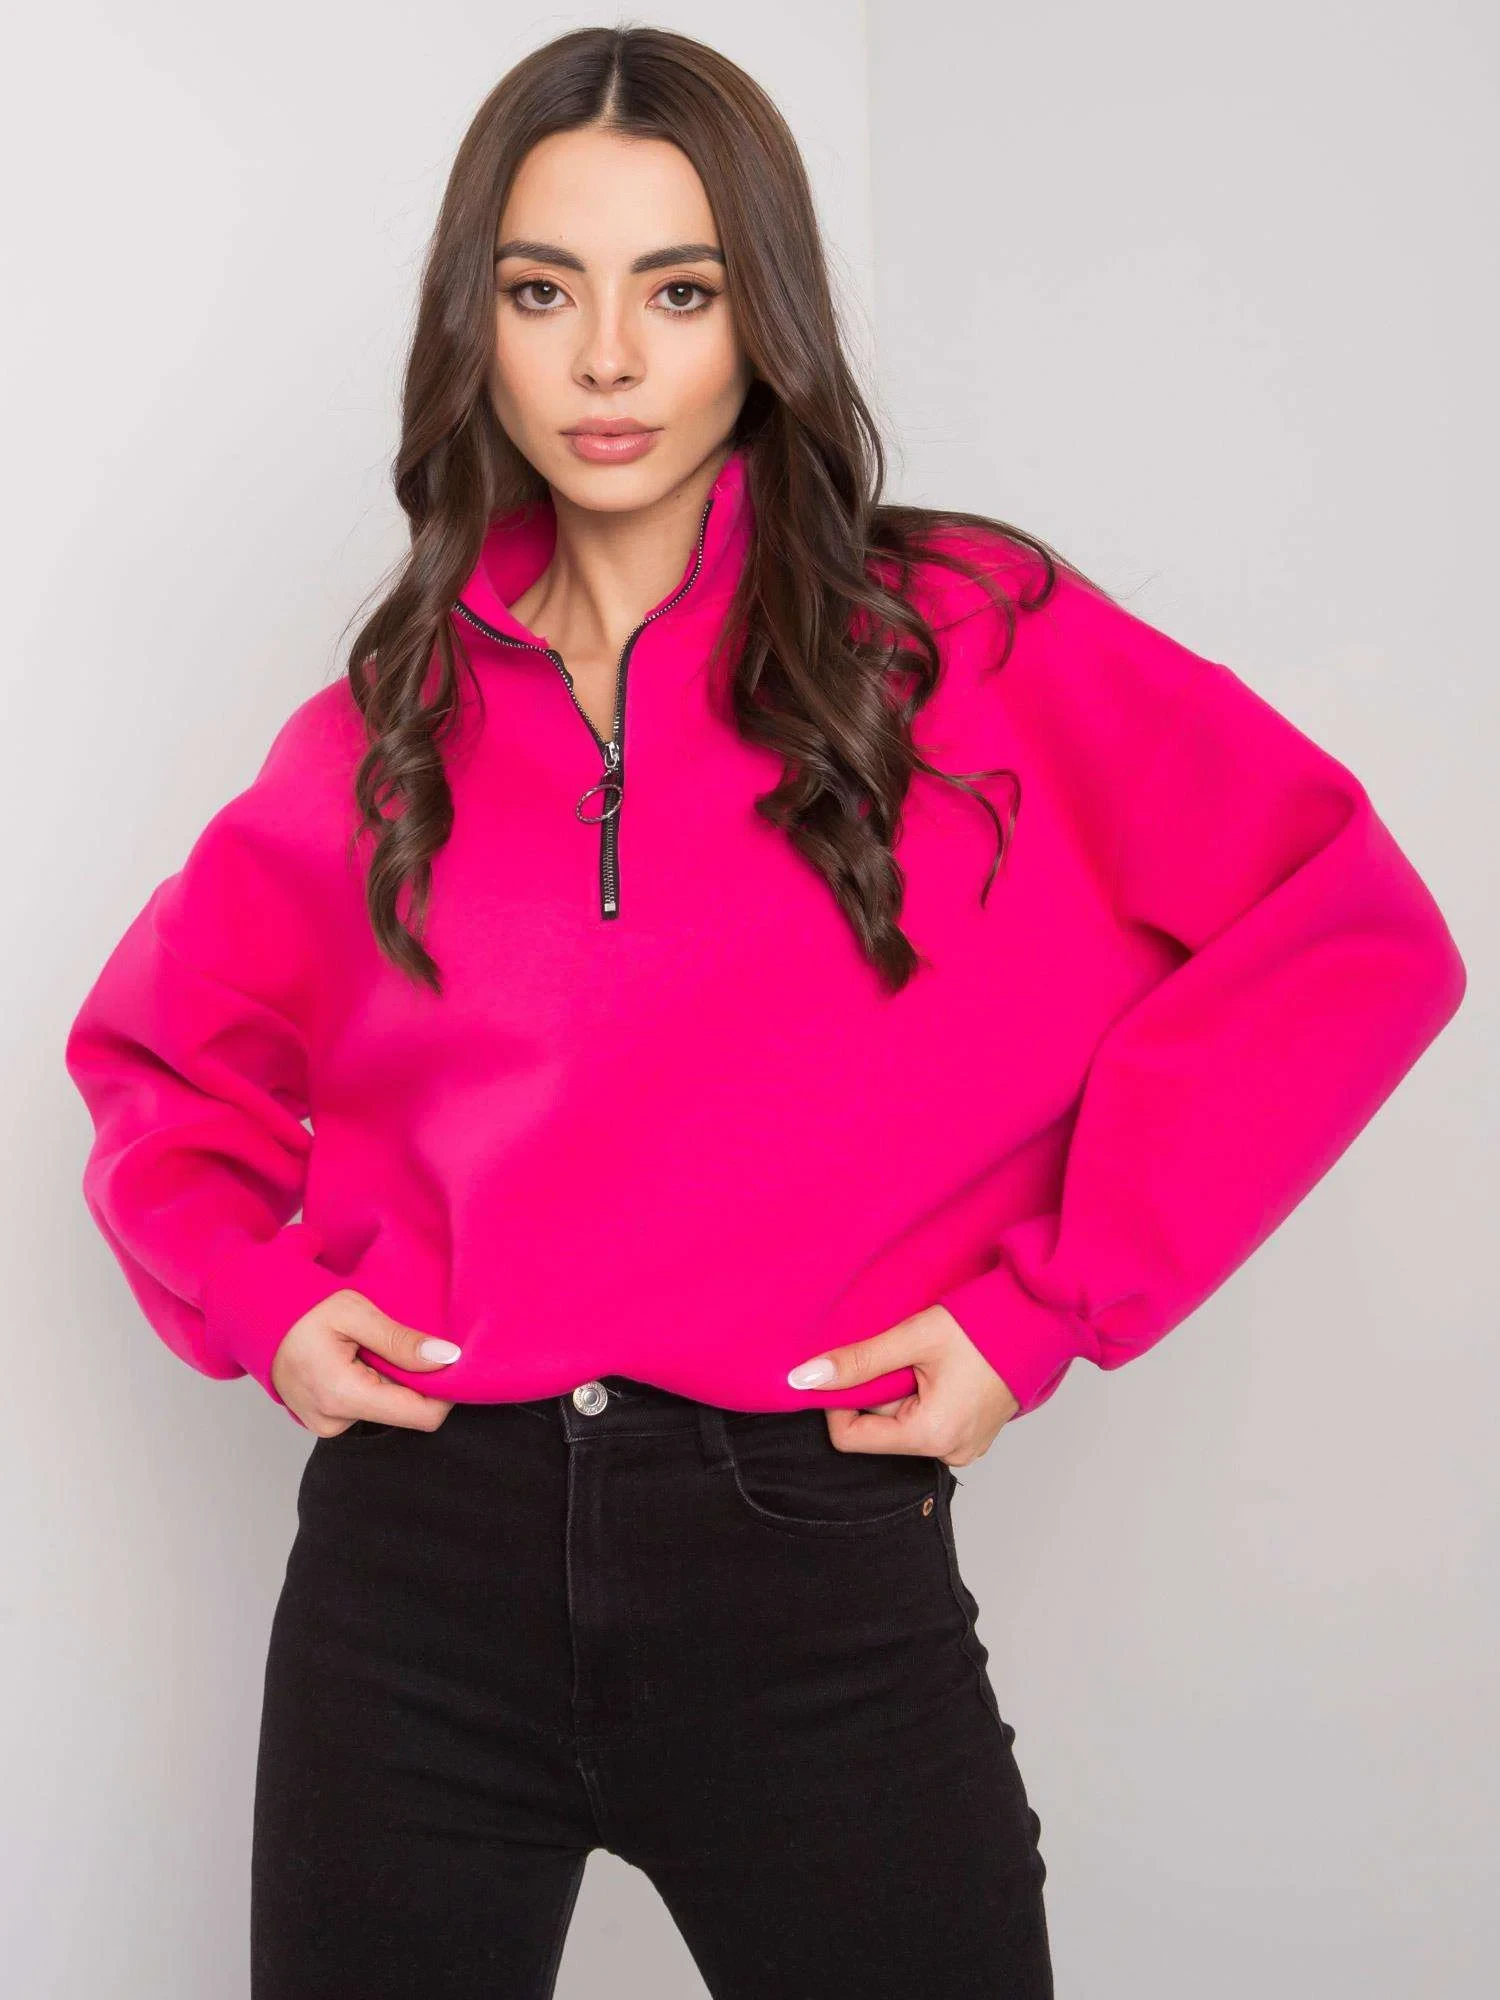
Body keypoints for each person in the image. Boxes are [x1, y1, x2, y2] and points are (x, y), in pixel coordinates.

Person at [62, 25, 1467, 2000]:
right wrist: (255, 1293)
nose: (607, 360)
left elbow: (1347, 932)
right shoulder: (390, 725)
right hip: (415, 1576)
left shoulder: (961, 639)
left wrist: (1043, 1307)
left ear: (763, 318)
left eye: (680, 290)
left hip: (808, 1559)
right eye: (542, 292)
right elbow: (158, 1061)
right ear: (476, 327)